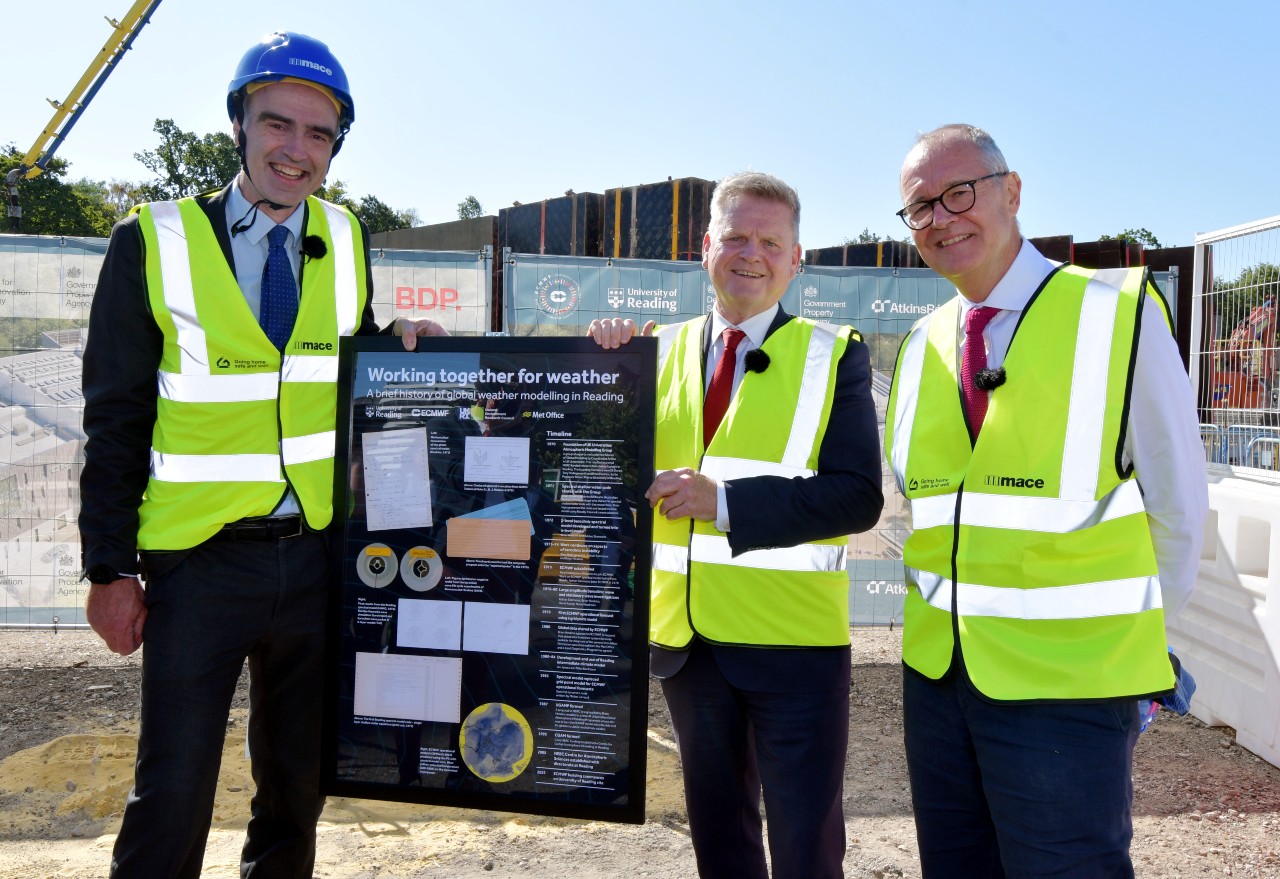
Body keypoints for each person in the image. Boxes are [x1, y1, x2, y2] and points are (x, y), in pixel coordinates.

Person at [79, 32, 444, 878]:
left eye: (319, 134)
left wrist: (398, 341)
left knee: (296, 786)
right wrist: (108, 568)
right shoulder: (153, 240)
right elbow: (117, 416)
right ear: (239, 125)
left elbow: (340, 356)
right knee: (172, 791)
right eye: (277, 124)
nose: (296, 149)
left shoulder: (345, 235)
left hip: (314, 561)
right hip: (198, 564)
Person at [884, 123, 1208, 877]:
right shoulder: (921, 344)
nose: (941, 217)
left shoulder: (1117, 314)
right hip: (938, 684)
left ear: (1013, 191)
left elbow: (1178, 512)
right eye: (920, 207)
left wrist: (1129, 659)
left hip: (1070, 691)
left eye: (959, 192)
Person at [590, 171, 883, 879]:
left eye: (770, 242)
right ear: (705, 248)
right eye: (736, 237)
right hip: (689, 647)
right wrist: (600, 367)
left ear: (796, 260)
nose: (751, 254)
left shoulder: (835, 354)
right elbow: (599, 468)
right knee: (720, 842)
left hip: (795, 647)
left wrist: (722, 503)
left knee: (807, 846)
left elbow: (856, 499)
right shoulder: (653, 350)